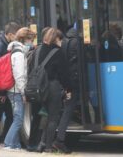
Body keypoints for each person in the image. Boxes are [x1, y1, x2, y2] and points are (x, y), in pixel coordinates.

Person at [34, 28, 72, 153]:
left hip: (40, 87)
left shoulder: (38, 50)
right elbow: (64, 74)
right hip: (53, 87)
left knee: (45, 115)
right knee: (53, 117)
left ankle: (41, 143)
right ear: (56, 38)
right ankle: (49, 147)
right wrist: (68, 89)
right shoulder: (58, 52)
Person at [2, 27, 36, 150]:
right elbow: (19, 74)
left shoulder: (14, 50)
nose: (31, 43)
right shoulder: (19, 54)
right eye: (30, 40)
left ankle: (15, 144)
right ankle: (8, 143)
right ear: (24, 39)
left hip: (13, 89)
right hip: (16, 90)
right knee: (18, 119)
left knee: (17, 118)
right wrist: (23, 92)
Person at [0, 22, 21, 143]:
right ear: (10, 34)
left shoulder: (7, 46)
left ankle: (3, 140)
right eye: (17, 36)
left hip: (4, 87)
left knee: (10, 115)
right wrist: (0, 90)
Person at [52, 25, 80, 154]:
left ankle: (55, 140)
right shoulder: (76, 42)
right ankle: (59, 140)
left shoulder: (67, 43)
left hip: (68, 83)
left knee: (66, 110)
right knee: (67, 110)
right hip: (72, 83)